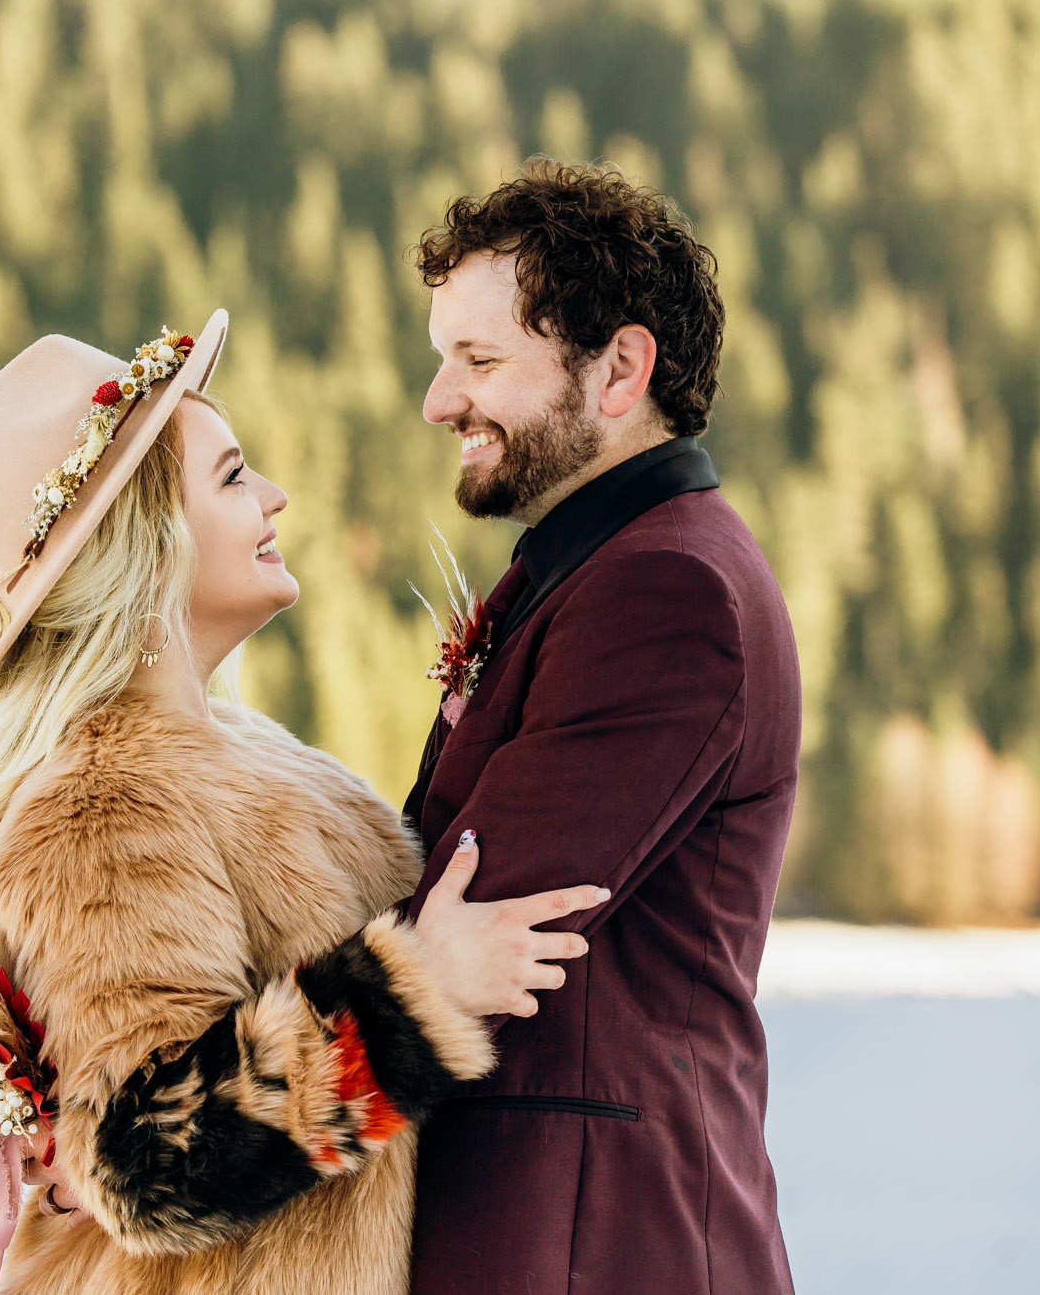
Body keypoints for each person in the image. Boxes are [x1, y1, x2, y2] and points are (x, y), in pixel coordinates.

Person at [0, 316, 604, 1295]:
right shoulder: (100, 801)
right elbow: (147, 1162)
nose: (275, 495)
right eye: (234, 476)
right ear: (146, 544)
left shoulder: (251, 754)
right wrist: (421, 994)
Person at [401, 159, 801, 1294]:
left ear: (620, 368)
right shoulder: (596, 570)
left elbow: (462, 919)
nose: (439, 400)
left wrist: (169, 1099)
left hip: (595, 1243)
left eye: (478, 360)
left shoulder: (666, 595)